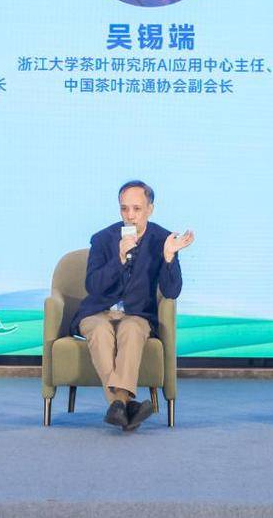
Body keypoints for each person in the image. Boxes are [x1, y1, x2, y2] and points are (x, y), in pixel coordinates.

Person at [70, 180, 194, 431]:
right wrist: (118, 258)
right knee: (100, 330)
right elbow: (93, 286)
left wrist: (169, 257)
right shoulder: (103, 239)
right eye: (124, 209)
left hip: (137, 314)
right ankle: (125, 404)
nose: (130, 215)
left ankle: (118, 406)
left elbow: (172, 292)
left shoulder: (162, 239)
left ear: (150, 209)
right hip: (98, 311)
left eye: (137, 209)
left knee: (132, 329)